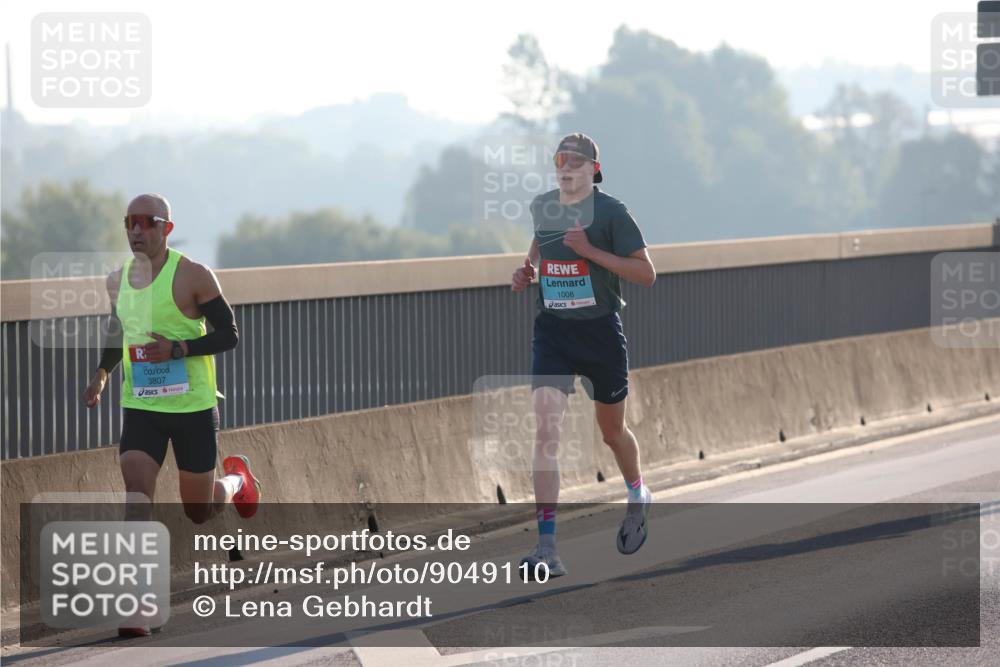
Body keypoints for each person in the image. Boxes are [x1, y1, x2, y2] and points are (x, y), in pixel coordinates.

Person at [81, 193, 260, 636]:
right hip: (141, 405)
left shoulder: (193, 276)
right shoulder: (116, 281)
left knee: (198, 510)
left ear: (167, 228)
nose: (137, 231)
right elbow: (119, 330)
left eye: (147, 222)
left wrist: (180, 348)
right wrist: (103, 374)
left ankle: (237, 481)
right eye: (130, 222)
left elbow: (230, 335)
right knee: (137, 496)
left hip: (192, 407)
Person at [511, 133, 656, 578]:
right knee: (545, 432)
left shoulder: (612, 212)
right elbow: (540, 243)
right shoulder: (542, 206)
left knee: (612, 432)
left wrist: (591, 253)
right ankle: (547, 548)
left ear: (594, 168)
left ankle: (637, 492)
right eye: (560, 160)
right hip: (552, 331)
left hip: (600, 334)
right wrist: (527, 269)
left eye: (576, 161)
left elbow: (646, 274)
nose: (566, 167)